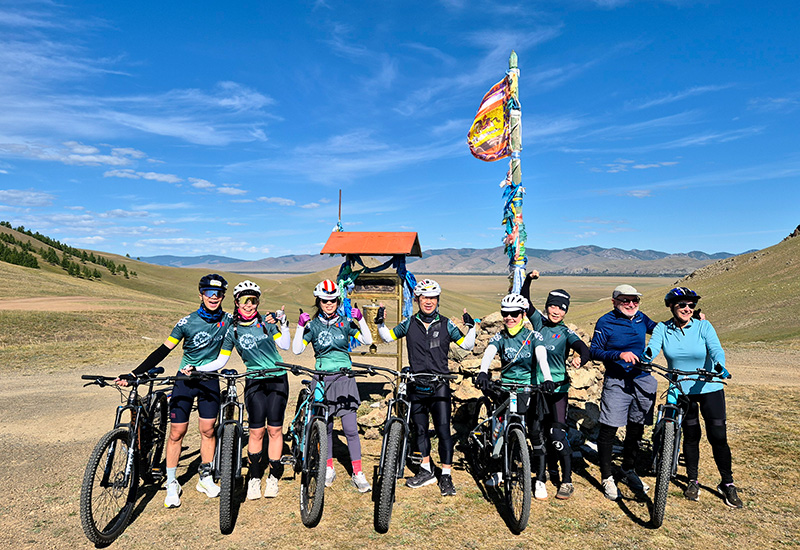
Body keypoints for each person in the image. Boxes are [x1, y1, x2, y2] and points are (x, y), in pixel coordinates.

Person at [119, 273, 231, 508]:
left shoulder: (229, 320)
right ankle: (172, 482)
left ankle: (205, 477)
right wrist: (135, 373)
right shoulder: (186, 323)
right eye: (209, 293)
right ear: (201, 294)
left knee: (208, 430)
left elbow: (252, 321)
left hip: (210, 379)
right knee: (177, 432)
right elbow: (163, 350)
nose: (214, 297)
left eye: (218, 294)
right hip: (186, 380)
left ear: (222, 296)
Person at [644, 287, 742, 508]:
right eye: (682, 305)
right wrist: (647, 357)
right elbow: (653, 347)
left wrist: (719, 365)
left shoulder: (703, 326)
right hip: (680, 388)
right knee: (690, 436)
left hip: (709, 386)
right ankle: (692, 480)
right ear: (672, 307)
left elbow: (716, 349)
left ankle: (727, 483)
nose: (687, 309)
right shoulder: (663, 328)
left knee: (718, 436)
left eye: (691, 305)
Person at [377, 278, 476, 496]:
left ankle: (446, 475)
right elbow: (387, 338)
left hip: (439, 385)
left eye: (432, 297)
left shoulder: (446, 324)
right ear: (417, 300)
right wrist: (380, 324)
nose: (428, 301)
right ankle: (426, 470)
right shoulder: (409, 323)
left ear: (438, 300)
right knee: (420, 430)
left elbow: (467, 345)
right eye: (424, 297)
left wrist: (471, 326)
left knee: (442, 431)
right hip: (416, 385)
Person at [205, 280, 291, 500]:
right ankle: (254, 477)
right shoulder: (232, 330)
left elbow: (284, 346)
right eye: (245, 300)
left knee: (274, 430)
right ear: (236, 303)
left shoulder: (266, 323)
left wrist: (284, 324)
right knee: (256, 432)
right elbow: (221, 360)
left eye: (253, 301)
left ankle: (273, 476)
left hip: (277, 380)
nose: (249, 305)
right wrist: (197, 368)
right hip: (253, 381)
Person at [292, 279, 374, 492]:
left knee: (350, 429)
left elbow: (367, 340)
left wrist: (362, 320)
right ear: (318, 301)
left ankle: (358, 473)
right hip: (321, 380)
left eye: (333, 300)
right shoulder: (313, 325)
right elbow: (297, 350)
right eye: (324, 301)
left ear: (338, 301)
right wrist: (300, 327)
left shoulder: (345, 323)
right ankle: (328, 467)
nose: (329, 304)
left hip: (344, 380)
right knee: (325, 427)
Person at [474, 293, 553, 498]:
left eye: (514, 314)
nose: (509, 317)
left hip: (529, 389)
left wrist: (547, 378)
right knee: (499, 430)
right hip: (507, 388)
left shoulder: (534, 336)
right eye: (505, 314)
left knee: (536, 434)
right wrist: (483, 371)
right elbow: (490, 352)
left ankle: (541, 479)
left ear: (523, 314)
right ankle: (499, 470)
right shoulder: (500, 337)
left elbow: (542, 357)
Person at [520, 273, 591, 500]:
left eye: (561, 308)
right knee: (537, 435)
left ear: (566, 311)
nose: (556, 311)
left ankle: (567, 480)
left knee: (558, 437)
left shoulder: (566, 333)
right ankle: (541, 476)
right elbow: (524, 300)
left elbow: (584, 348)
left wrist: (581, 358)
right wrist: (529, 280)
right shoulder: (538, 322)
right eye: (552, 306)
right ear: (547, 306)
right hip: (536, 391)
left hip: (558, 392)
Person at [589, 284, 657, 501]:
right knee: (609, 428)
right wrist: (619, 355)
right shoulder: (605, 322)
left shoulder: (641, 318)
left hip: (642, 379)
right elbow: (595, 351)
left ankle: (628, 469)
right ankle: (607, 476)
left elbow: (660, 329)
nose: (631, 304)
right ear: (614, 301)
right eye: (625, 300)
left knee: (636, 428)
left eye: (635, 300)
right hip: (617, 381)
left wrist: (693, 320)